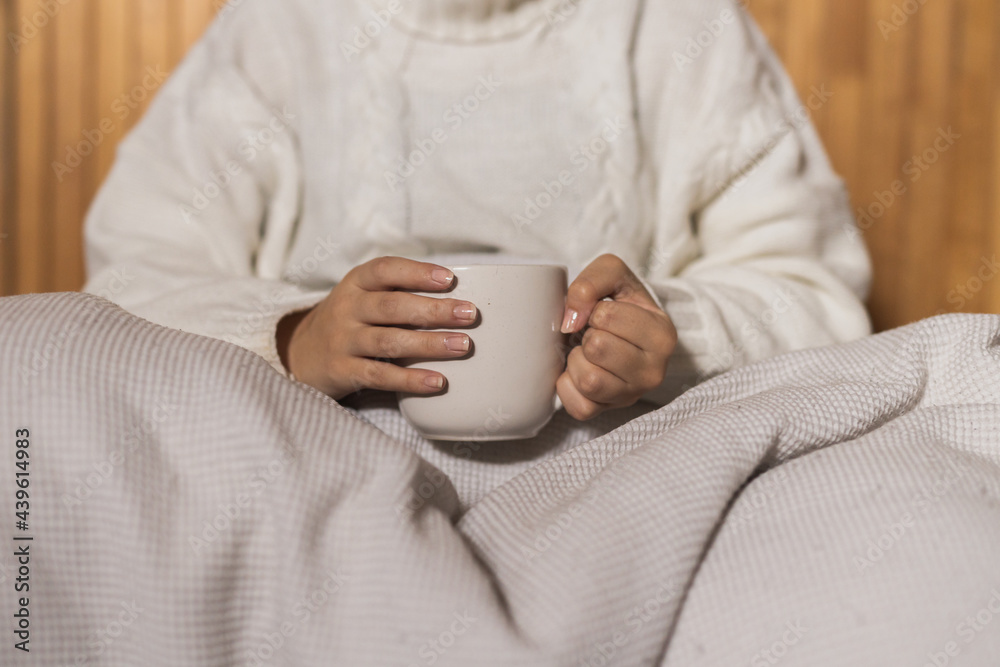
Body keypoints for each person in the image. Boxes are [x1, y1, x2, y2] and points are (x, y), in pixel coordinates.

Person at [83, 0, 871, 428]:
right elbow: (126, 282)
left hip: (616, 461)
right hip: (311, 454)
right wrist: (293, 336)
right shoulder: (281, 26)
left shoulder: (679, 25)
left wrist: (674, 337)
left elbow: (820, 300)